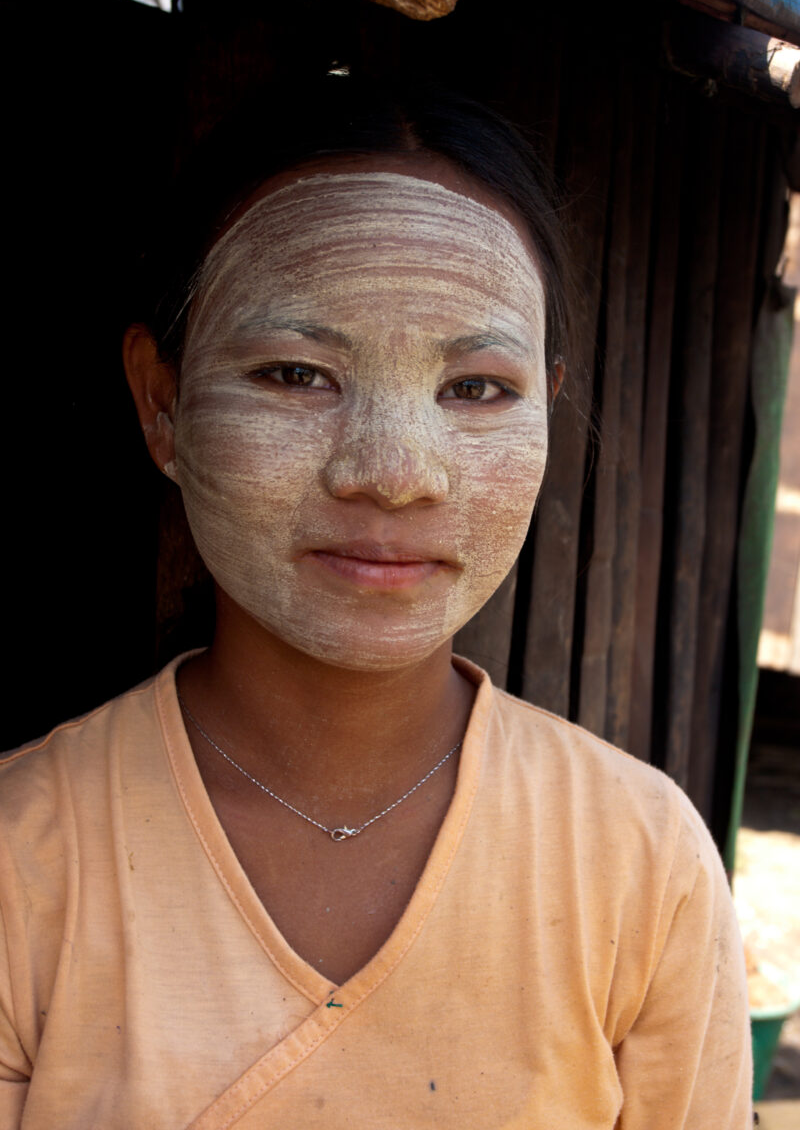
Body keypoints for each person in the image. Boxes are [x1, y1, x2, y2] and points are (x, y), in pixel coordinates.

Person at [0, 74, 752, 1128]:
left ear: (549, 403)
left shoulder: (640, 864)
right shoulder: (23, 858)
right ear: (161, 405)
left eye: (475, 389)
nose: (394, 473)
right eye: (297, 374)